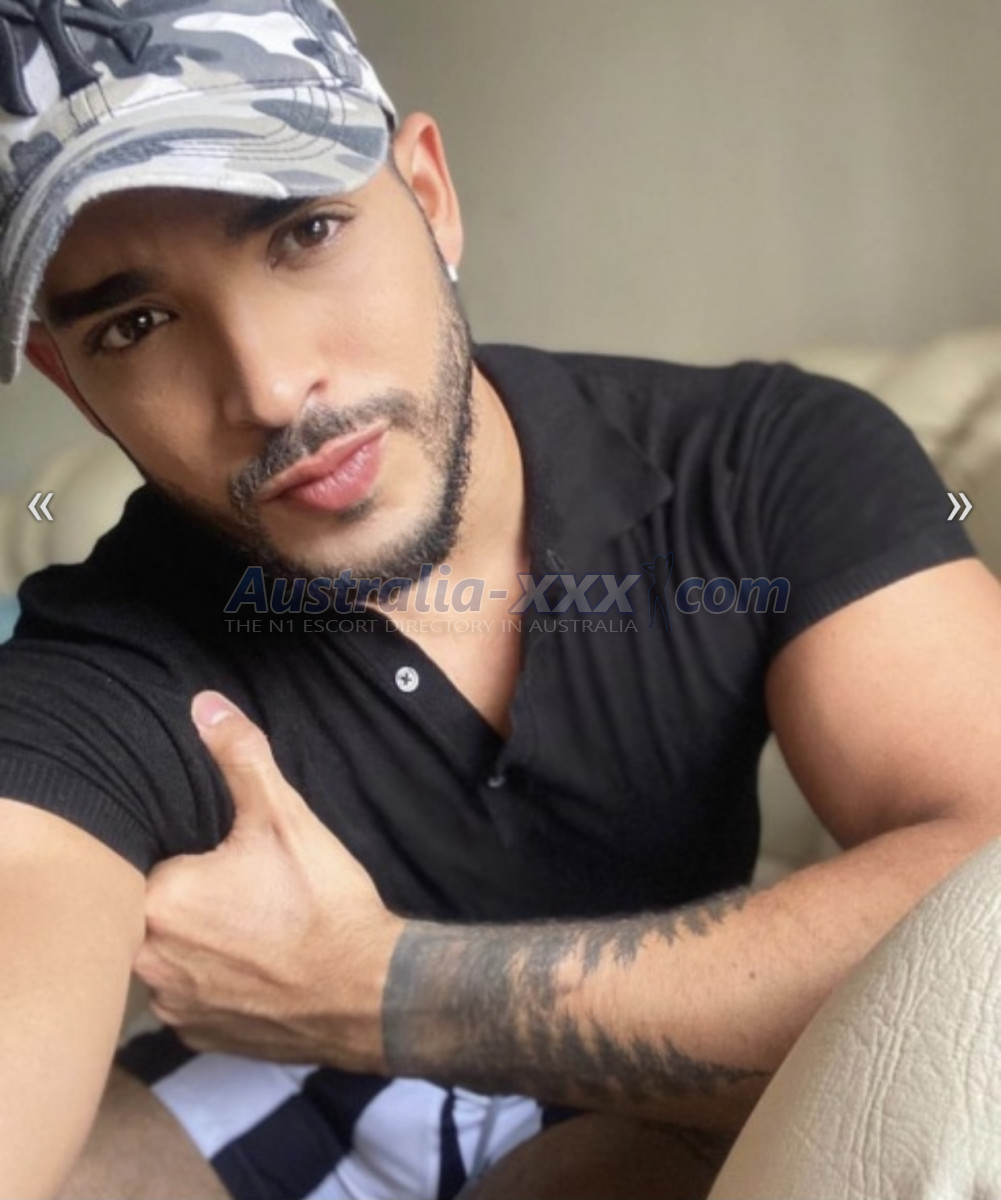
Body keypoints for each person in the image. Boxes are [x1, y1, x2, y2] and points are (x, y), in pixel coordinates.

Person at [0, 2, 999, 1198]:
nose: (267, 388)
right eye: (137, 325)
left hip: (662, 1078)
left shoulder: (762, 458)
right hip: (272, 1086)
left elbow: (983, 880)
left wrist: (378, 989)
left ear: (429, 196)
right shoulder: (95, 664)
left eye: (305, 231)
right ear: (73, 383)